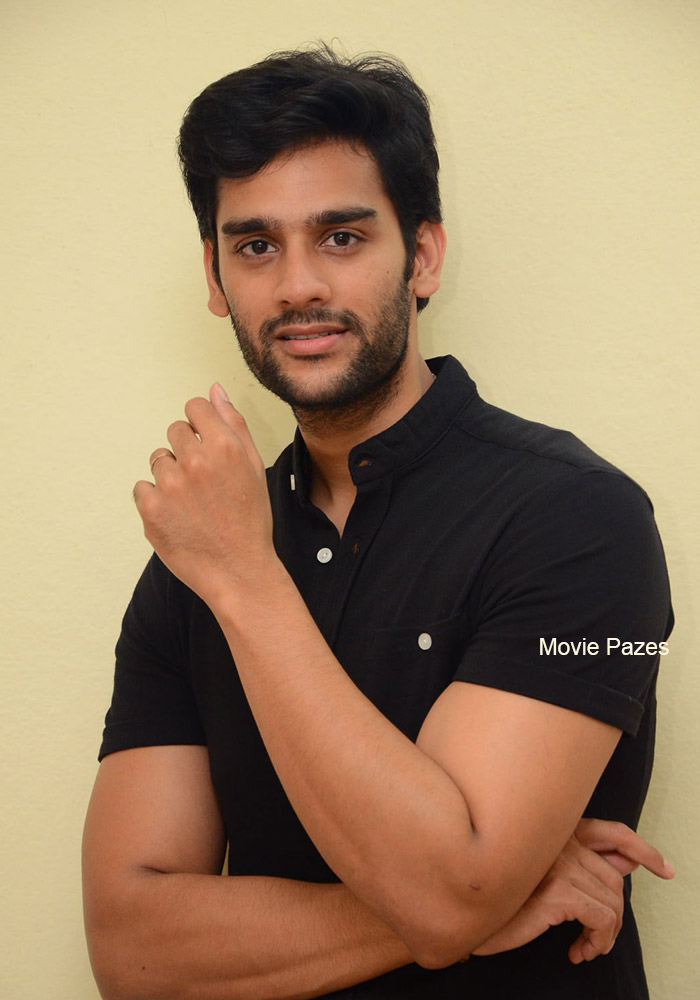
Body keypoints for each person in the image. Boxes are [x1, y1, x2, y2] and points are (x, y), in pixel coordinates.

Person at [82, 46, 674, 999]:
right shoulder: (196, 556)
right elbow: (130, 954)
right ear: (215, 276)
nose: (298, 286)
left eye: (343, 237)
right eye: (256, 246)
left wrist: (244, 580)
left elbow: (449, 892)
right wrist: (489, 899)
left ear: (423, 256)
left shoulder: (581, 516)